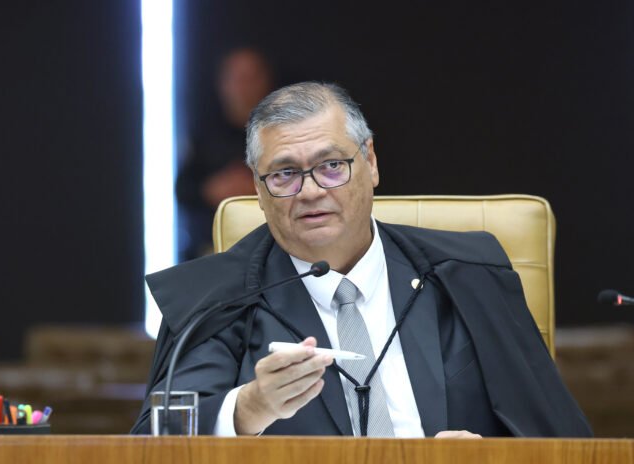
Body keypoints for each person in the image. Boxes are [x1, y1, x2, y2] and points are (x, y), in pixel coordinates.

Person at [132, 82, 592, 438]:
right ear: (258, 186)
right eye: (286, 173)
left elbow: (560, 438)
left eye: (332, 165)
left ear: (370, 162)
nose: (310, 191)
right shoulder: (217, 298)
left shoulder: (467, 273)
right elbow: (156, 441)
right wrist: (248, 408)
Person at [176, 47, 275, 260]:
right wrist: (214, 189)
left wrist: (259, 187)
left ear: (266, 81)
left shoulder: (284, 132)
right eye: (238, 78)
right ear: (223, 84)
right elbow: (183, 190)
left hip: (272, 250)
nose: (245, 87)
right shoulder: (205, 134)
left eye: (251, 78)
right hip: (213, 250)